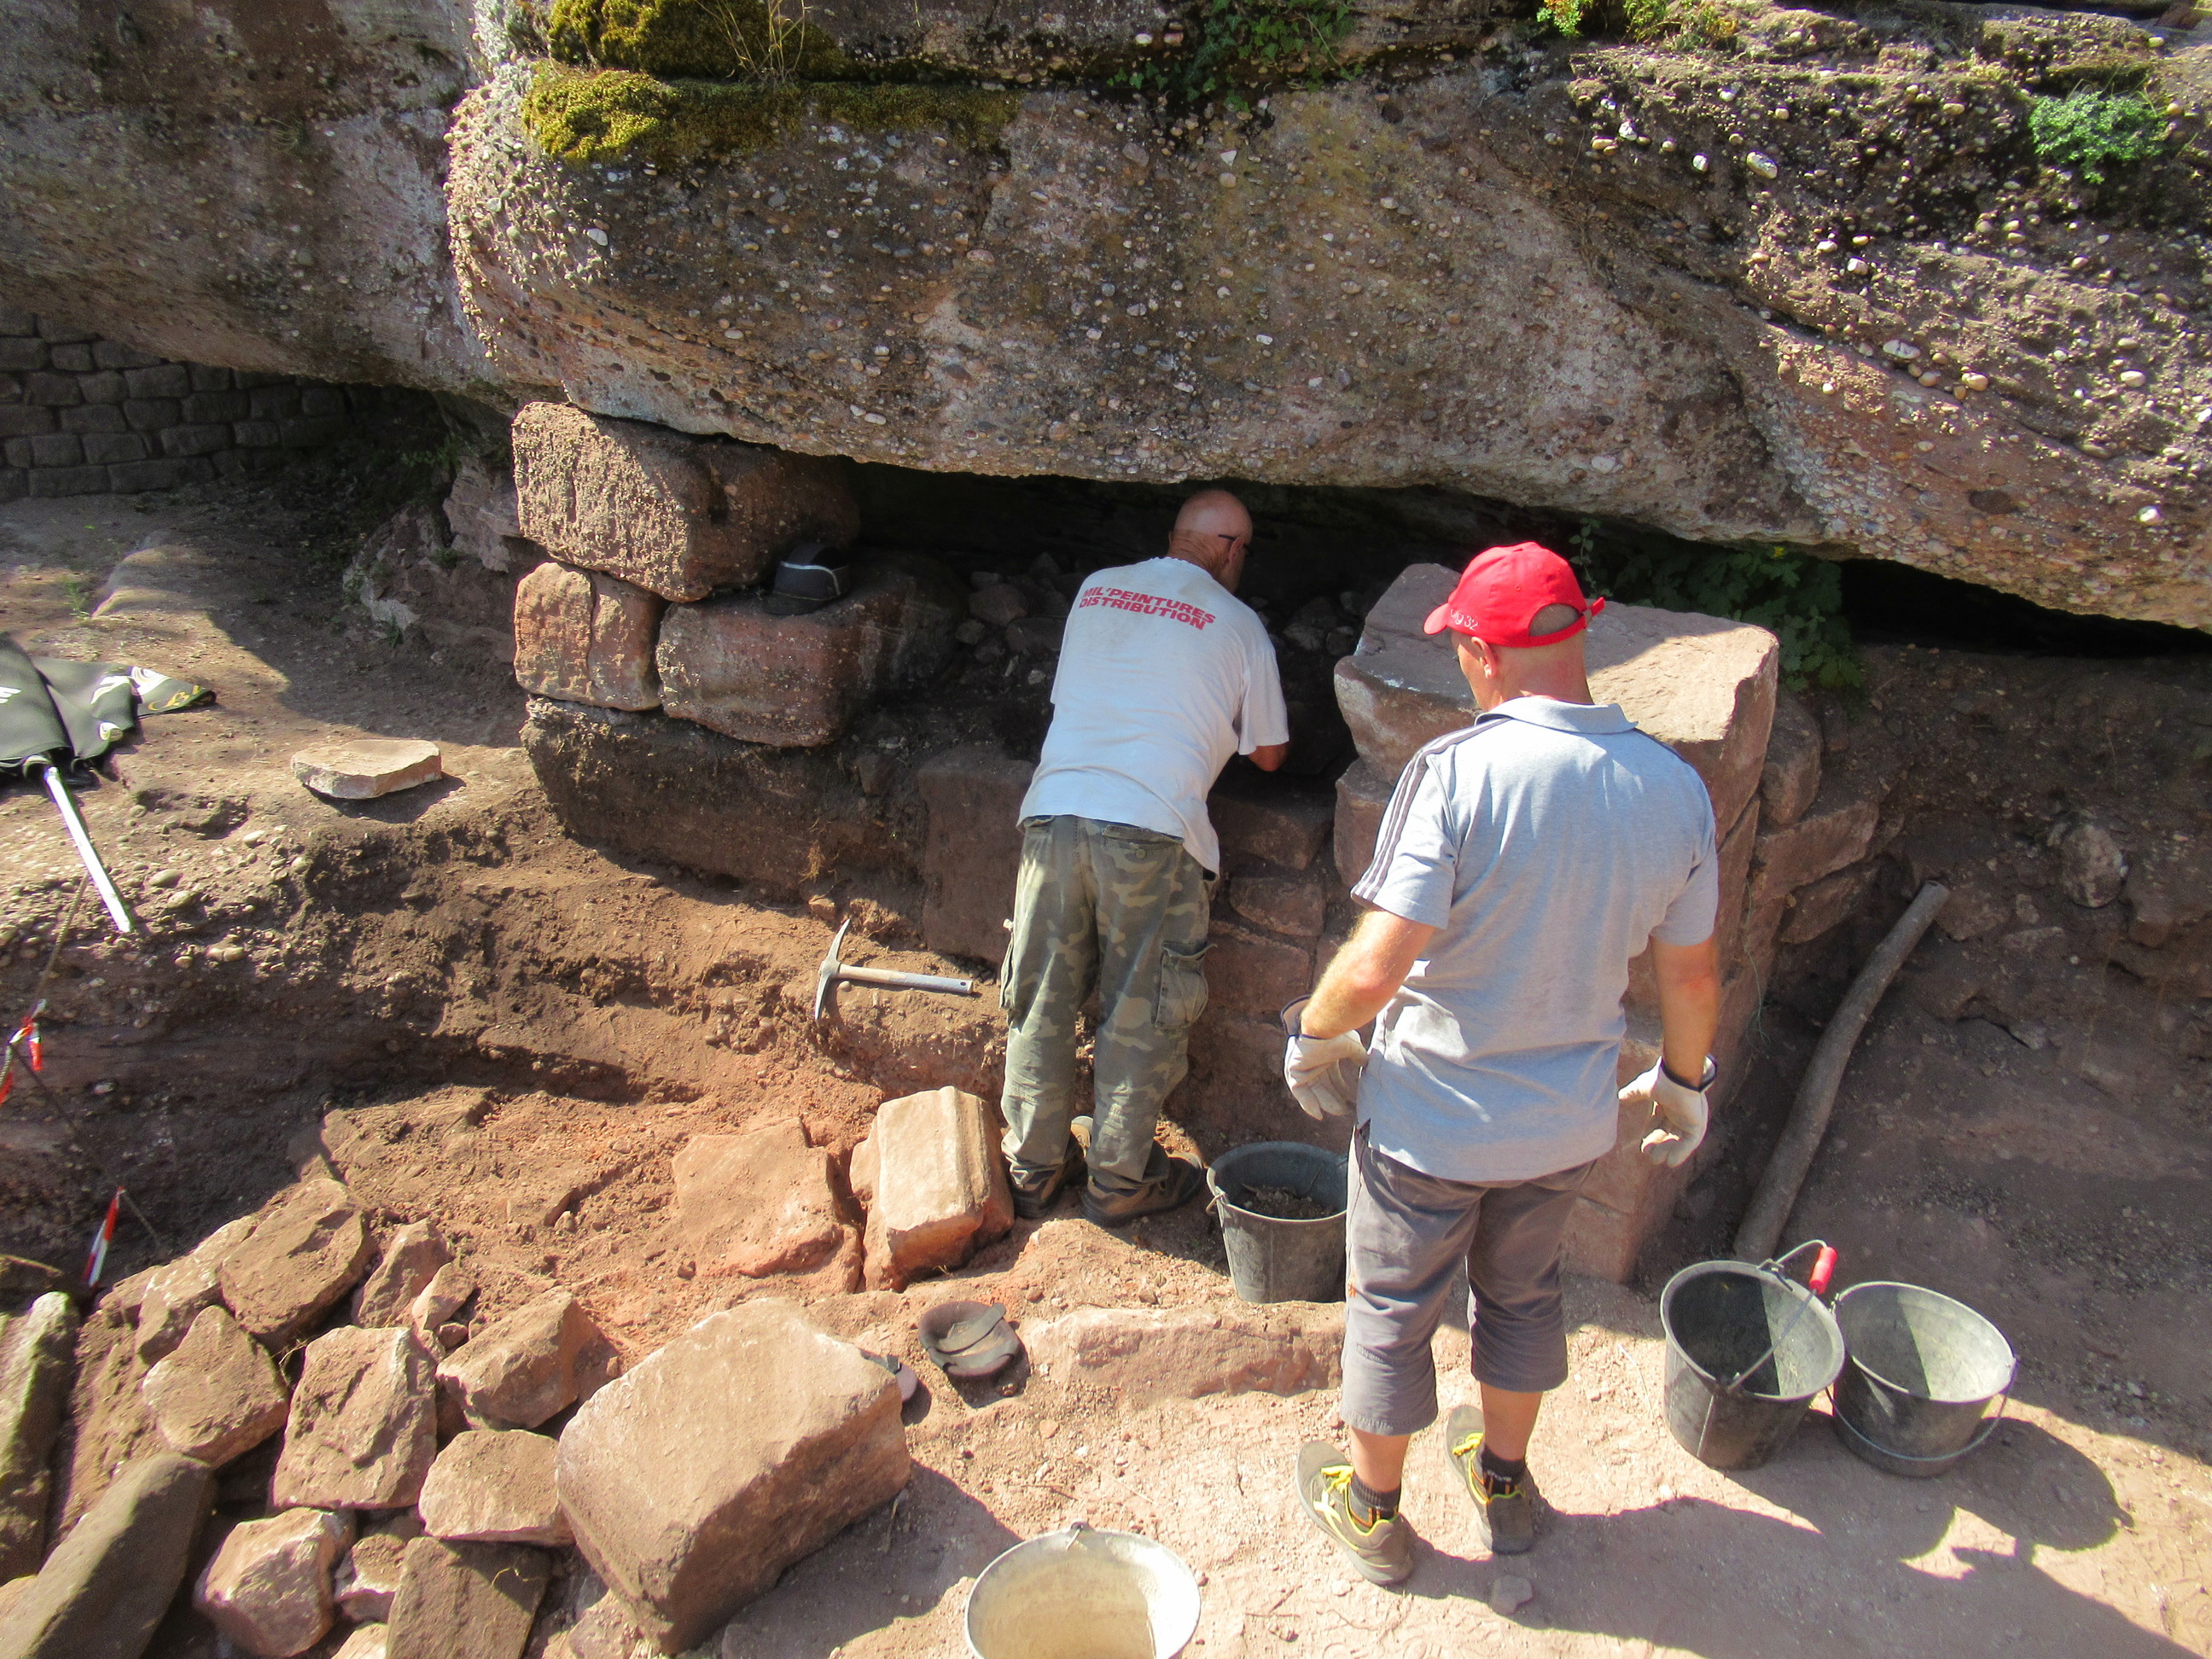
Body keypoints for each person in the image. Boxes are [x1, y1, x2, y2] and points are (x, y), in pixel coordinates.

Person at [1280, 541, 1721, 1583]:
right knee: (1523, 1298)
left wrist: (1314, 1032)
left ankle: (1375, 1511)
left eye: (1461, 651)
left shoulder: (1457, 773)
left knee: (1392, 1310)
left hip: (1429, 1123)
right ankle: (1505, 1485)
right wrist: (1683, 1084)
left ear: (1482, 653)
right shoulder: (1674, 789)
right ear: (1579, 634)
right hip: (1562, 1127)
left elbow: (1379, 964)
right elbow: (1694, 976)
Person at [999, 488, 1290, 1228]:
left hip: (1054, 814)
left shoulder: (1097, 590)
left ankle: (1033, 1171)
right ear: (1232, 550)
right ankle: (1120, 1182)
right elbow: (1268, 753)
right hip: (1153, 828)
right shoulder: (1240, 623)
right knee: (1140, 1009)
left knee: (1041, 997)